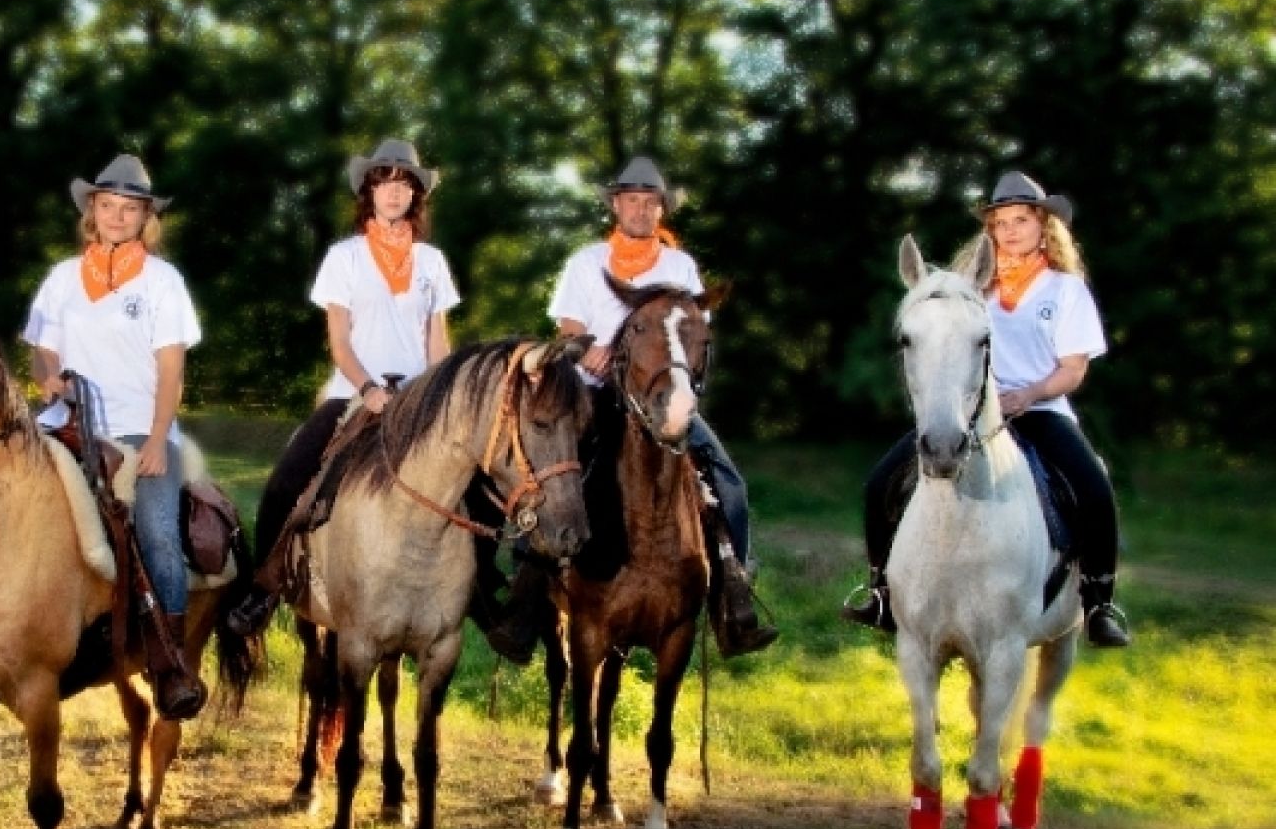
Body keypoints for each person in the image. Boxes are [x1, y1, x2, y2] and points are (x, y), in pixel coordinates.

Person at [482, 156, 779, 663]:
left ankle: (733, 591)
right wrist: (589, 350)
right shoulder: (585, 261)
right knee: (553, 477)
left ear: (660, 208)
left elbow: (692, 329)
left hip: (659, 395)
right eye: (632, 200)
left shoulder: (679, 266)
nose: (641, 209)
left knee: (727, 480)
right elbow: (569, 325)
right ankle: (527, 597)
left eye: (650, 201)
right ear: (616, 206)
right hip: (594, 392)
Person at [842, 172, 1131, 647]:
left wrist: (1028, 395)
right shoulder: (970, 289)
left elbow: (1073, 370)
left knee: (1094, 489)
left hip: (1042, 410)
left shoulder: (1065, 290)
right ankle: (879, 592)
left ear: (1045, 227)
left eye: (1021, 220)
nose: (1011, 230)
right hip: (969, 413)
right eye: (1000, 223)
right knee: (880, 484)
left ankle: (1099, 600)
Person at [228, 139, 461, 636]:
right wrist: (369, 389)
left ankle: (483, 598)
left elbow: (436, 340)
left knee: (473, 482)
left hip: (417, 403)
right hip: (352, 394)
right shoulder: (345, 257)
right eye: (383, 182)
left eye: (403, 183)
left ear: (415, 195)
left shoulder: (432, 263)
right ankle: (263, 590)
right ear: (368, 193)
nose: (394, 192)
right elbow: (338, 340)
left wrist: (439, 398)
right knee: (287, 480)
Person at [24, 154, 208, 716]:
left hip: (135, 431)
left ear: (145, 218)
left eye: (130, 209)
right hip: (64, 427)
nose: (117, 216)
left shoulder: (162, 281)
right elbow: (40, 349)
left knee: (156, 535)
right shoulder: (61, 277)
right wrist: (48, 376)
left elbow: (172, 370)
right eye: (108, 206)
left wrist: (157, 440)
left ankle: (170, 659)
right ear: (92, 212)